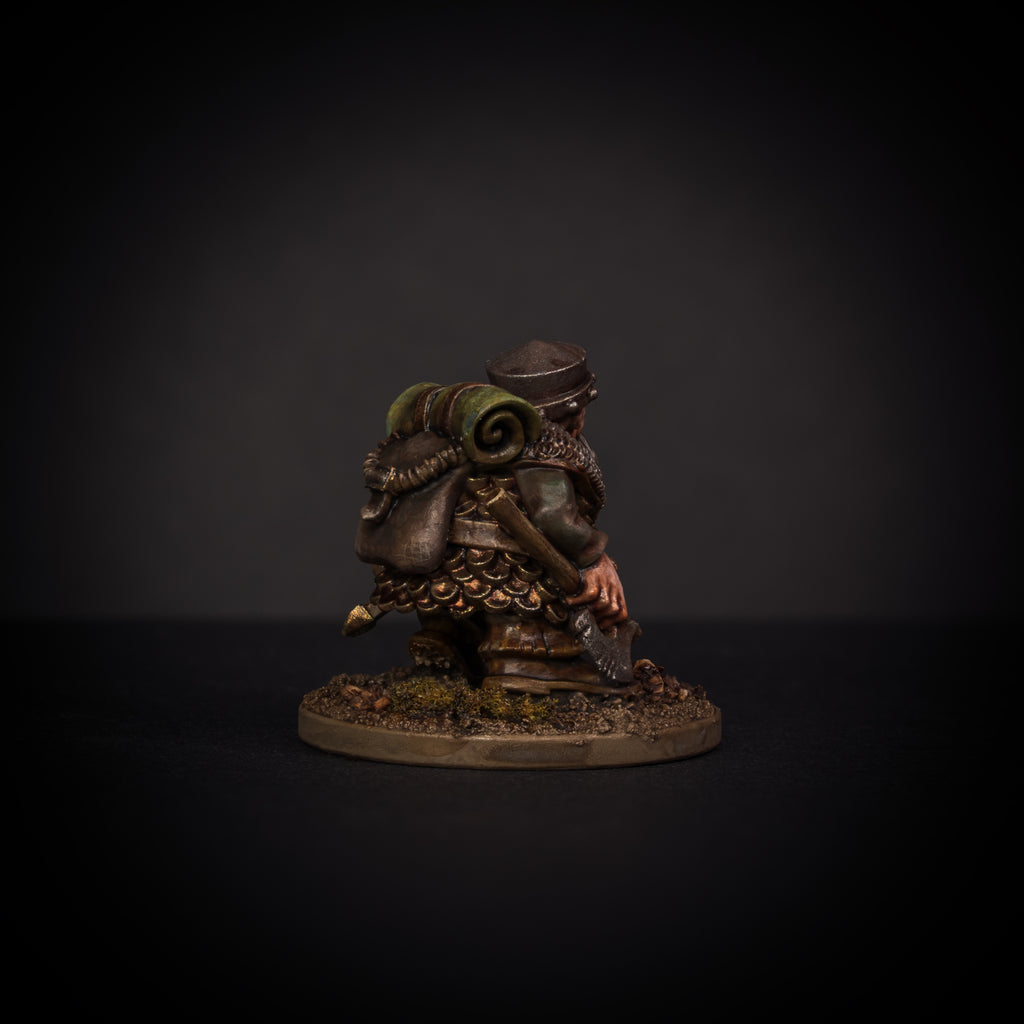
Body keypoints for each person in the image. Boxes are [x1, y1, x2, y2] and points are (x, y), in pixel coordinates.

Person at [349, 340, 637, 695]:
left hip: (445, 556)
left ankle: (446, 632)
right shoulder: (543, 449)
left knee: (460, 597)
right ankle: (519, 657)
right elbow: (552, 516)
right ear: (575, 409)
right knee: (528, 600)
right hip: (506, 557)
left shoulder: (478, 443)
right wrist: (592, 557)